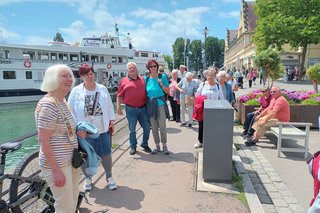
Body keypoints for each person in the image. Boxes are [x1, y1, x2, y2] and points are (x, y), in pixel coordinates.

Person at [35, 64, 83, 212]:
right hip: (58, 165)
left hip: (69, 161)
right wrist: (56, 171)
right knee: (64, 206)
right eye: (64, 76)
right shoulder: (49, 105)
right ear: (53, 79)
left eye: (70, 76)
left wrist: (77, 132)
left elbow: (64, 129)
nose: (69, 79)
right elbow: (44, 140)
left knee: (73, 200)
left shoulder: (62, 101)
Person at [68, 64, 117, 191]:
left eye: (91, 73)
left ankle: (109, 176)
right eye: (87, 74)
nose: (90, 76)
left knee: (106, 153)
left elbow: (109, 105)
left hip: (102, 128)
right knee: (86, 155)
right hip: (85, 131)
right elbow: (70, 111)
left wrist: (112, 120)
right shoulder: (76, 91)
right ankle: (88, 178)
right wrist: (77, 128)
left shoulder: (102, 88)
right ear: (82, 76)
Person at [116, 62, 151, 155]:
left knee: (147, 127)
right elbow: (119, 95)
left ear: (136, 69)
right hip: (130, 109)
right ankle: (133, 146)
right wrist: (118, 107)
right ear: (127, 70)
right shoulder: (124, 81)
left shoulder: (143, 79)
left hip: (142, 108)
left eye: (133, 68)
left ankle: (144, 143)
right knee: (132, 130)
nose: (132, 69)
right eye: (130, 68)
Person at [194, 68, 224, 148]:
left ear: (215, 76)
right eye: (209, 75)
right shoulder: (203, 84)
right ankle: (200, 142)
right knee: (202, 125)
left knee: (213, 126)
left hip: (214, 109)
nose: (210, 77)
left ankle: (212, 141)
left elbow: (221, 98)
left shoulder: (218, 86)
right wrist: (202, 98)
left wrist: (221, 107)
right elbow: (197, 95)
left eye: (212, 75)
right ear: (206, 76)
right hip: (203, 109)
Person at [145, 59, 170, 155]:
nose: (153, 68)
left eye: (154, 66)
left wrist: (161, 84)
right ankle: (157, 146)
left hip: (160, 104)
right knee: (154, 127)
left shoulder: (162, 76)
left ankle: (164, 145)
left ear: (157, 67)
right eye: (151, 66)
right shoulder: (146, 79)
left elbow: (167, 91)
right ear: (148, 68)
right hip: (151, 105)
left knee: (162, 126)